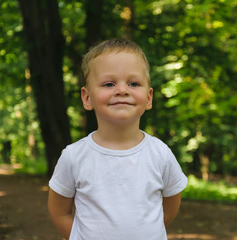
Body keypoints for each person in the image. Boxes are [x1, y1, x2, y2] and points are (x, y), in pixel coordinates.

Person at [48, 38, 188, 240]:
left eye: (133, 83)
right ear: (87, 98)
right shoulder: (74, 156)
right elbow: (59, 212)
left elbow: (169, 207)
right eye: (109, 83)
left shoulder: (161, 154)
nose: (122, 90)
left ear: (149, 98)